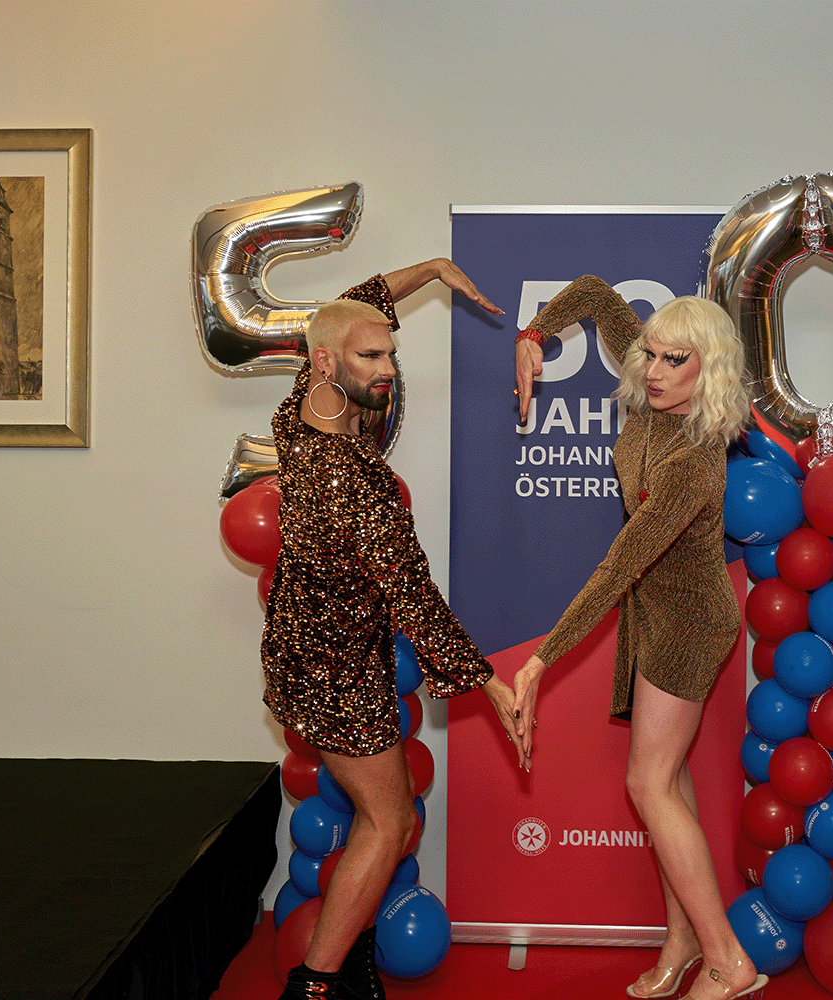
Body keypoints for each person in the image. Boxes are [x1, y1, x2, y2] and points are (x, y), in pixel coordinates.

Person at [261, 261, 524, 1000]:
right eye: (371, 358)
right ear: (326, 362)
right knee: (388, 820)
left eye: (391, 355)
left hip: (303, 659)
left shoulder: (297, 415)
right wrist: (491, 685)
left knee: (384, 815)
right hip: (337, 675)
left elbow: (358, 306)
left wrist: (434, 270)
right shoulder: (355, 479)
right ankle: (315, 986)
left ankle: (342, 959)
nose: (387, 370)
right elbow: (414, 594)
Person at [507, 276, 766, 1000]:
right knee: (668, 783)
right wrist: (533, 338)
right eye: (649, 354)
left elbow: (621, 561)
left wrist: (538, 660)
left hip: (688, 622)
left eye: (672, 360)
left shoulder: (694, 460)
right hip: (653, 613)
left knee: (646, 783)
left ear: (705, 370)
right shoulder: (650, 382)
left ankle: (728, 962)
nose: (650, 370)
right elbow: (591, 292)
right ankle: (683, 941)